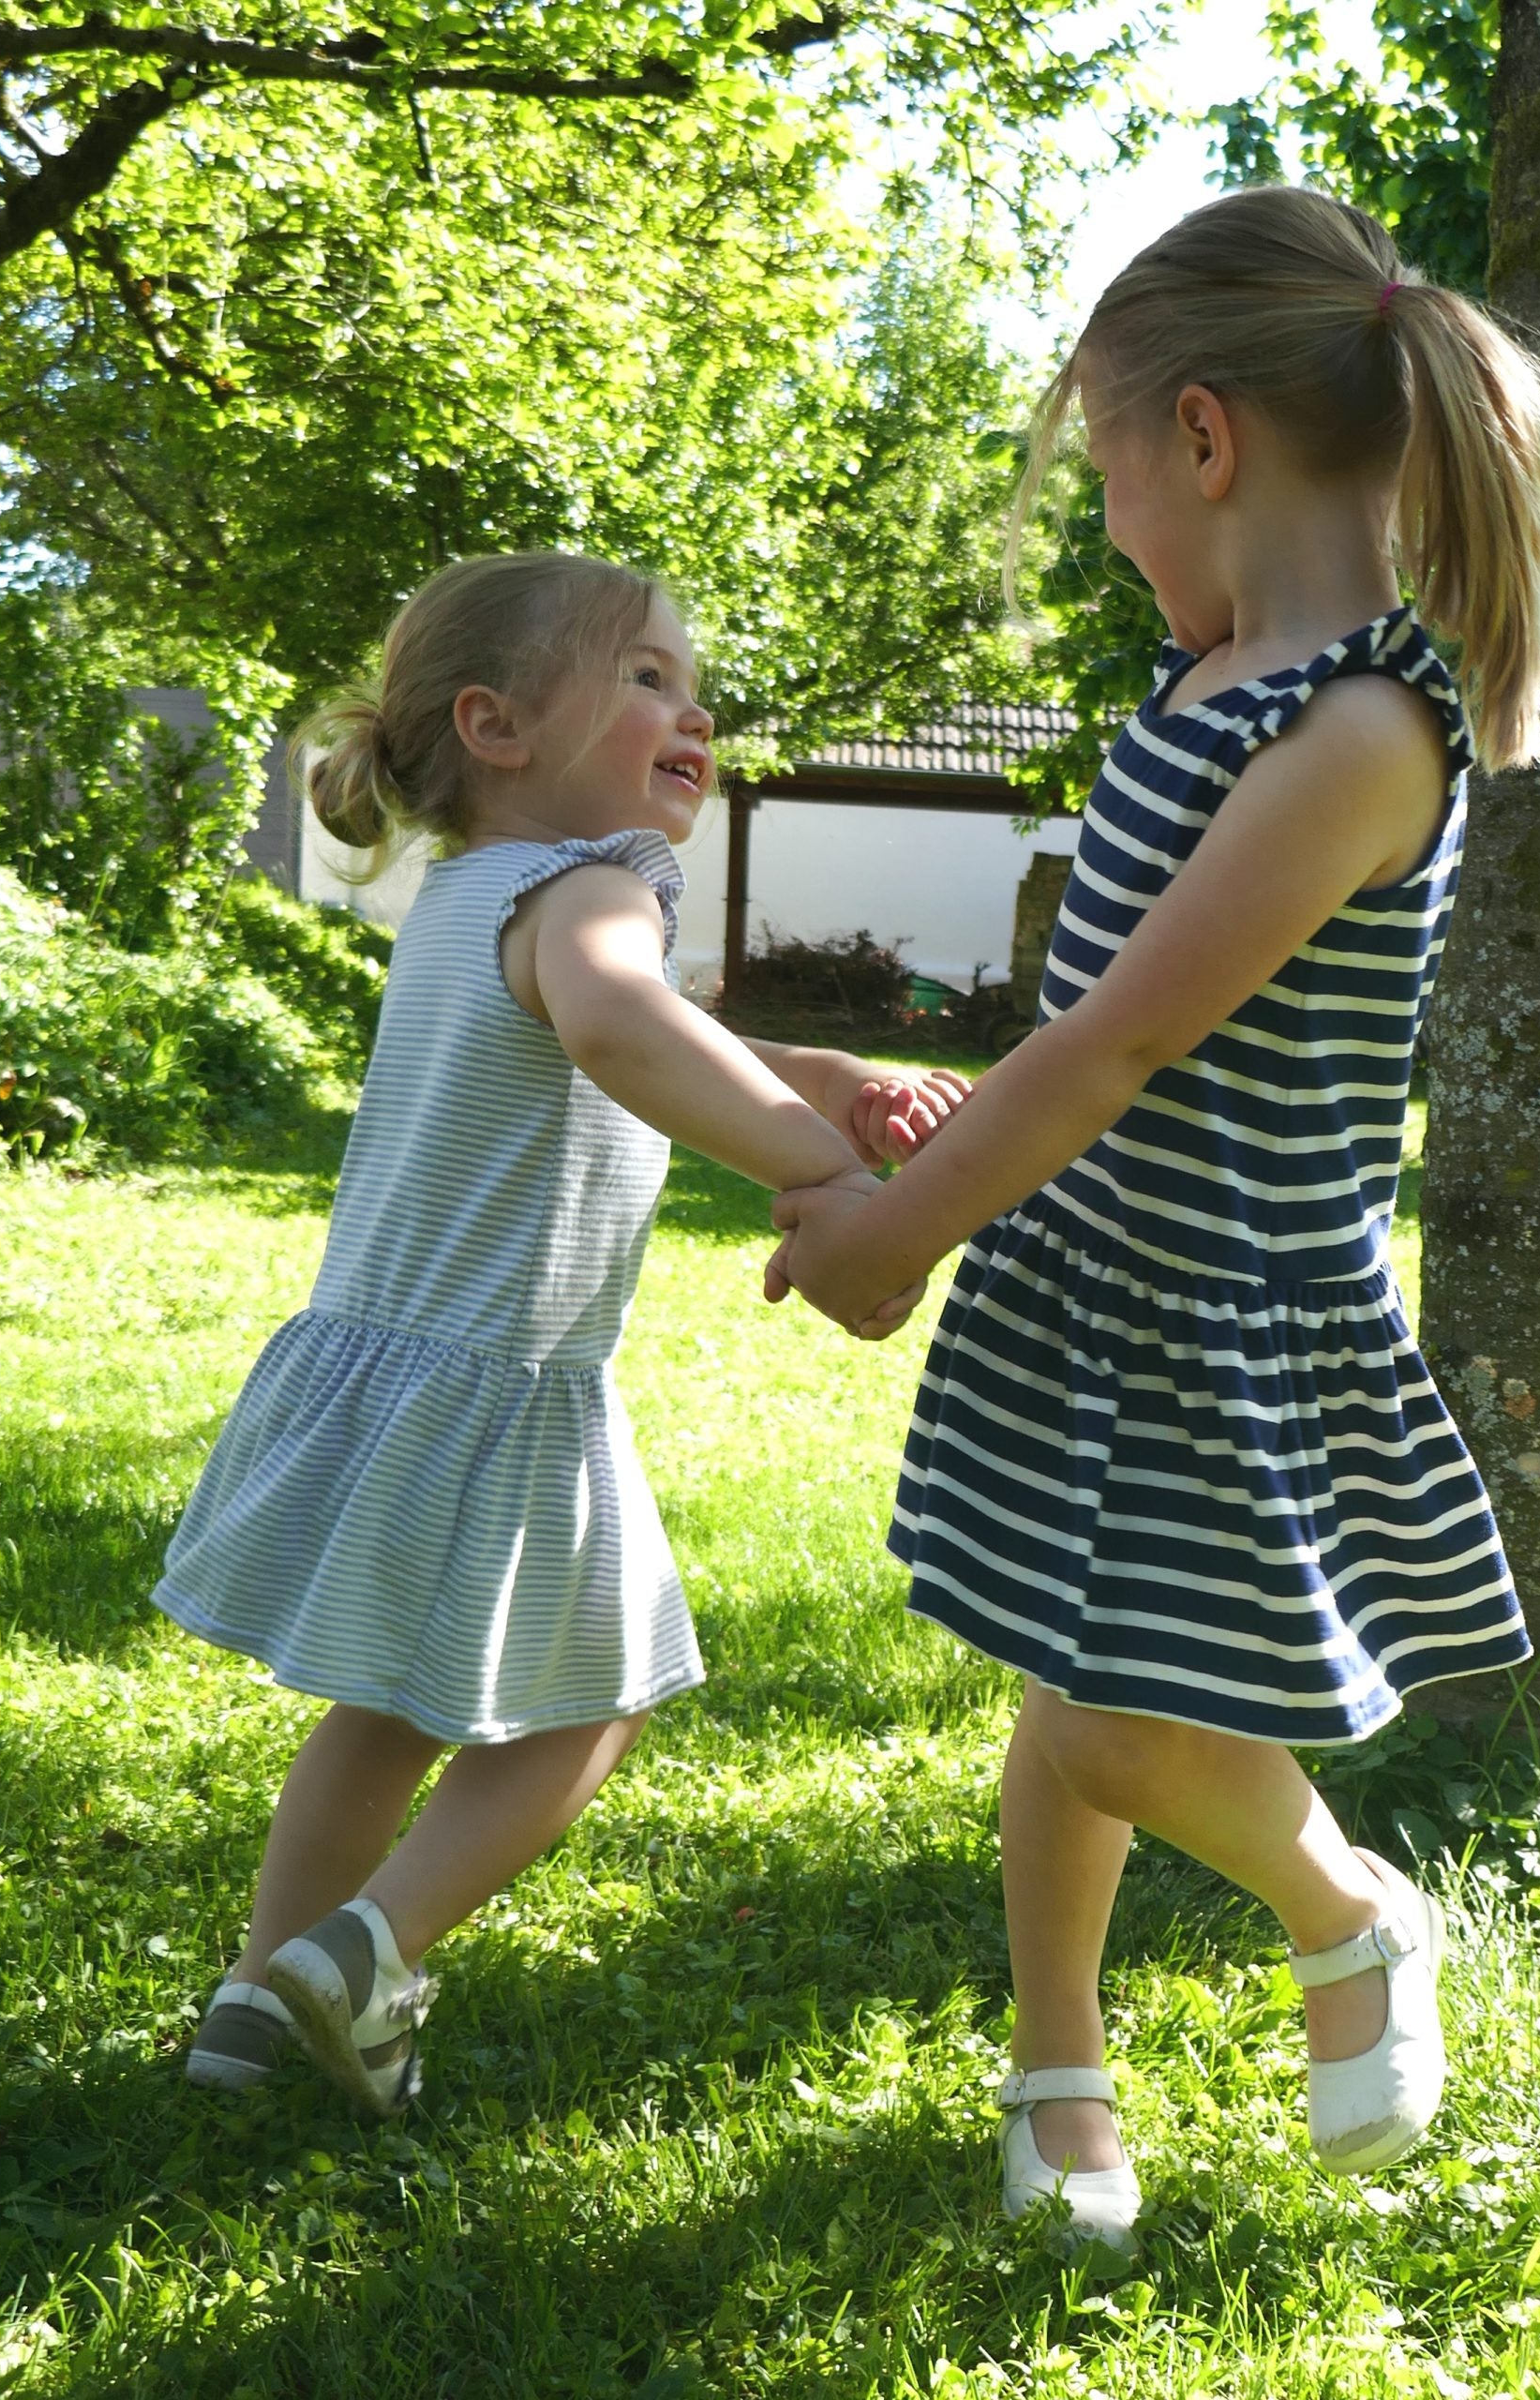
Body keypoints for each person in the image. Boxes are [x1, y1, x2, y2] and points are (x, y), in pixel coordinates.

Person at [766, 185, 1540, 2247]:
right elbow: (1095, 1032)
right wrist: (950, 1134)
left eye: (1106, 468)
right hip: (1104, 1276)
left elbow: (1118, 1045)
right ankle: (1057, 2066)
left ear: (1200, 439)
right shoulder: (1213, 684)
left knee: (1126, 1719)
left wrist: (895, 1227)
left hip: (1227, 1310)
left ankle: (1353, 1902)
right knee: (1062, 1661)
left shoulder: (1360, 728)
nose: (1111, 522)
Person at [162, 551, 965, 2116]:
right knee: (601, 1702)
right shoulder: (600, 888)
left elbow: (649, 1028)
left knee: (385, 1708)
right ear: (499, 725)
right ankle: (366, 1947)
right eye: (648, 676)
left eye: (693, 681)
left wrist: (821, 1076)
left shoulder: (472, 893)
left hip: (386, 1361)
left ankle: (253, 2006)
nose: (696, 708)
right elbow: (616, 1023)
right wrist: (836, 1180)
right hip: (507, 1385)